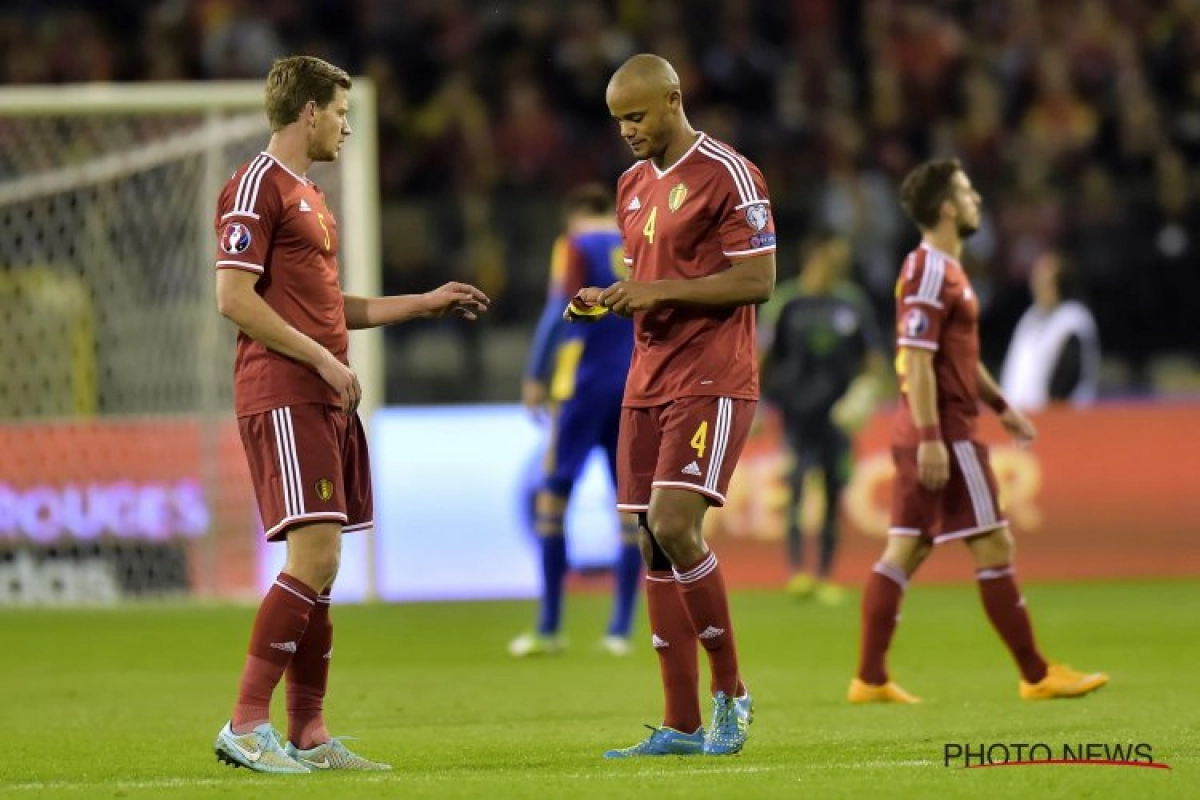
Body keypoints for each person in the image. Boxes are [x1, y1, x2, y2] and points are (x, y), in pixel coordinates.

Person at [211, 55, 488, 773]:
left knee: (324, 570)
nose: (346, 125)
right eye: (340, 111)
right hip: (284, 390)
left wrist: (422, 302)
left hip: (322, 393)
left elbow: (333, 310)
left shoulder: (311, 196)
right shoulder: (255, 186)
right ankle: (246, 725)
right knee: (316, 556)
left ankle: (308, 732)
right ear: (309, 112)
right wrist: (325, 362)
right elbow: (234, 297)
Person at [571, 53, 775, 758]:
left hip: (713, 376)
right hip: (646, 378)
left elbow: (757, 279)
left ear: (673, 100)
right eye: (618, 120)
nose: (626, 131)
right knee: (650, 541)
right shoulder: (629, 186)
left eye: (636, 115)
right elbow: (653, 276)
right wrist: (609, 299)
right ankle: (682, 723)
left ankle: (733, 696)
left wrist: (653, 293)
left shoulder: (731, 173)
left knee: (675, 524)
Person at [848, 157, 1107, 704]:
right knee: (994, 540)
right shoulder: (933, 269)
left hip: (930, 424)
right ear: (946, 207)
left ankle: (869, 678)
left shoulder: (943, 269)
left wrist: (1001, 404)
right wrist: (933, 437)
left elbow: (954, 355)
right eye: (967, 192)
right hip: (943, 429)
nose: (977, 201)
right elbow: (916, 359)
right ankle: (1036, 673)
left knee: (906, 550)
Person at [508, 184, 642, 658]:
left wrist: (534, 374)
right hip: (633, 385)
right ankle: (620, 631)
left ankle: (549, 627)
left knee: (553, 499)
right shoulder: (636, 242)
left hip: (583, 388)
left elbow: (556, 312)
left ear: (575, 215)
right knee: (629, 507)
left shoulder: (574, 246)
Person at [761, 230, 887, 604]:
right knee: (797, 484)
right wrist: (754, 403)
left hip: (836, 415)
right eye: (829, 260)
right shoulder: (786, 302)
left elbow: (873, 358)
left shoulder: (851, 303)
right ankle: (798, 573)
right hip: (795, 412)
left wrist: (866, 393)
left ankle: (825, 575)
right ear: (813, 260)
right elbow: (763, 355)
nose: (835, 268)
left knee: (833, 490)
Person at [999, 249, 1101, 411]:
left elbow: (1067, 374)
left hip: (1059, 421)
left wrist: (1052, 410)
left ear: (1060, 284)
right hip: (1022, 419)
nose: (1036, 286)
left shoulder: (1073, 320)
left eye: (1044, 281)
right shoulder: (1031, 317)